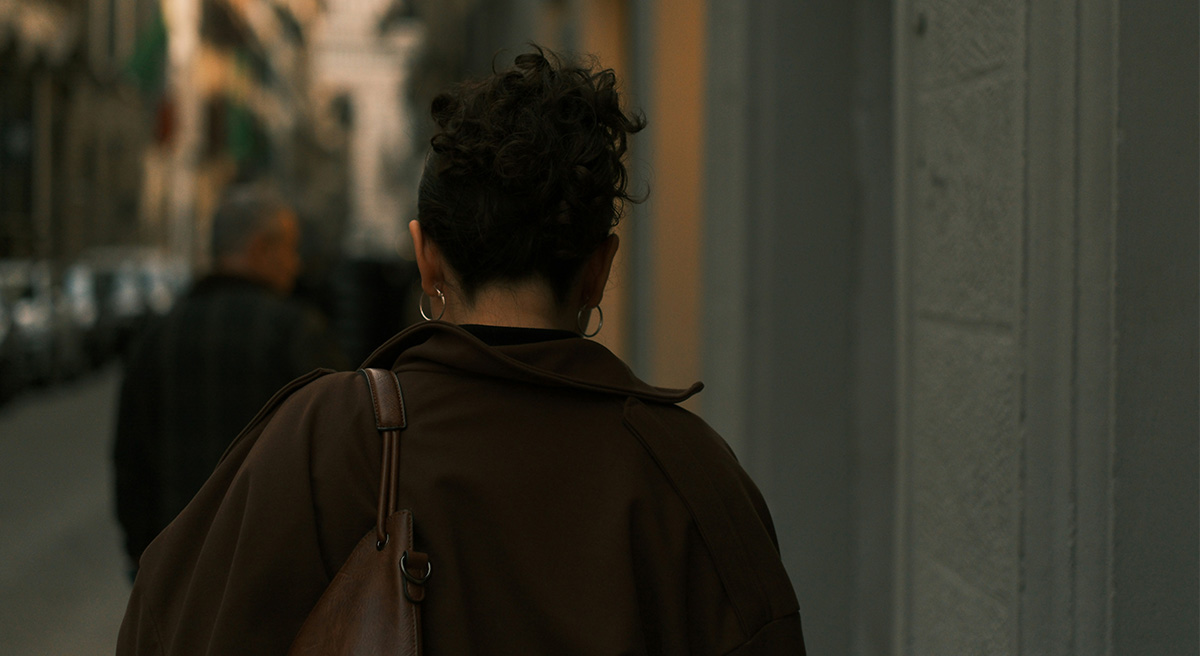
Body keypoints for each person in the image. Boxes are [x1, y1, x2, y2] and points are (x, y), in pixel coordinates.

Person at [117, 47, 805, 654]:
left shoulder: (324, 440)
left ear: (427, 258)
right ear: (598, 267)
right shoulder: (696, 480)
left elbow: (163, 629)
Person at [113, 184, 350, 568]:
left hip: (177, 578)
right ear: (261, 248)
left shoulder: (158, 337)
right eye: (290, 249)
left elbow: (131, 469)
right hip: (275, 582)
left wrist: (146, 567)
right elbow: (341, 457)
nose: (295, 264)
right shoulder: (295, 333)